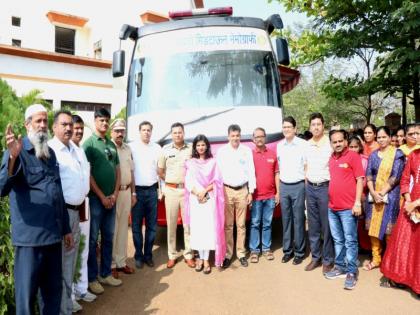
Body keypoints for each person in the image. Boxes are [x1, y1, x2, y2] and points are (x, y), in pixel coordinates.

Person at [0, 104, 73, 314]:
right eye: (37, 121)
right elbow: (2, 187)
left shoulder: (50, 154)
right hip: (30, 242)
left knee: (52, 295)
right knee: (26, 298)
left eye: (45, 121)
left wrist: (66, 228)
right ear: (27, 124)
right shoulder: (17, 151)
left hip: (52, 238)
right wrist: (13, 158)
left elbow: (58, 194)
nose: (42, 125)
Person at [49, 110, 90, 314]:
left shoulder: (74, 149)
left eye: (70, 125)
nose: (68, 128)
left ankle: (66, 307)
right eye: (63, 124)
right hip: (60, 215)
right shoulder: (50, 150)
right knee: (58, 266)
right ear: (54, 127)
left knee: (69, 264)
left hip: (75, 213)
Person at [83, 108, 122, 294]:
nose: (105, 124)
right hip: (96, 201)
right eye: (101, 120)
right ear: (95, 121)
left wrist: (114, 194)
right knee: (92, 240)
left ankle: (106, 274)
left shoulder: (111, 144)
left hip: (112, 200)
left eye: (107, 121)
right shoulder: (89, 144)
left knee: (108, 237)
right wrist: (101, 196)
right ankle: (92, 278)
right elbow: (88, 174)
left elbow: (118, 171)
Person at [380, 130, 420, 295]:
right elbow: (404, 179)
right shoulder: (414, 155)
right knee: (404, 244)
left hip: (416, 204)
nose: (416, 137)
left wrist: (417, 203)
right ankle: (404, 280)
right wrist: (409, 200)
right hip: (411, 207)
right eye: (414, 134)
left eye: (419, 134)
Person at [325, 129, 364, 290]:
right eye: (334, 142)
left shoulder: (353, 156)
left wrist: (357, 203)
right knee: (338, 240)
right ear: (331, 144)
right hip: (332, 207)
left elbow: (360, 180)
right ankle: (340, 266)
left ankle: (351, 272)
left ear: (345, 141)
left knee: (350, 240)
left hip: (348, 208)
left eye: (340, 141)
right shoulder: (332, 158)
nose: (338, 144)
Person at [363, 126, 405, 271]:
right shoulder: (373, 155)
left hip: (391, 195)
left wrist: (382, 192)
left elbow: (396, 175)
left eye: (384, 137)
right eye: (379, 137)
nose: (381, 140)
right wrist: (374, 192)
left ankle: (389, 261)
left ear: (389, 137)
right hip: (373, 196)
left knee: (388, 229)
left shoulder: (397, 154)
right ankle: (376, 259)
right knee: (373, 229)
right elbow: (368, 175)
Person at [184, 135, 226, 274]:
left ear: (207, 146)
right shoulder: (190, 163)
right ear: (195, 147)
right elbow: (188, 182)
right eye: (198, 145)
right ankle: (200, 259)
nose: (201, 148)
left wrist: (204, 192)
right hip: (195, 199)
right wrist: (197, 193)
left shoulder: (213, 162)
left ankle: (207, 259)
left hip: (209, 198)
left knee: (207, 229)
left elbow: (217, 181)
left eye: (203, 145)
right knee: (197, 229)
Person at [217, 124, 256, 268]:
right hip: (226, 191)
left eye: (237, 135)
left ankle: (240, 253)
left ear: (240, 136)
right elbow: (218, 173)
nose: (235, 138)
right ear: (228, 136)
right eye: (232, 136)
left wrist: (251, 191)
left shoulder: (246, 151)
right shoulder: (222, 152)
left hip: (242, 191)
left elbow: (251, 171)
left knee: (241, 225)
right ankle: (228, 254)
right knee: (228, 225)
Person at [158, 122, 195, 268]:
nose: (177, 135)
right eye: (175, 133)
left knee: (188, 225)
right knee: (171, 224)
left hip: (187, 191)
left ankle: (189, 254)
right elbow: (160, 171)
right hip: (171, 191)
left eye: (180, 132)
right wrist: (170, 181)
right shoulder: (165, 150)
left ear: (183, 133)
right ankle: (172, 255)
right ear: (171, 134)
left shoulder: (191, 149)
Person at [71, 115, 97, 305]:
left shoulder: (80, 151)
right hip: (70, 207)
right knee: (71, 251)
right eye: (75, 128)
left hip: (84, 204)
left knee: (85, 248)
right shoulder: (62, 151)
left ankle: (81, 289)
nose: (78, 131)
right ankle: (70, 296)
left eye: (80, 128)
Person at [304, 113, 334, 273]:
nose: (316, 127)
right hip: (310, 188)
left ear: (323, 126)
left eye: (318, 124)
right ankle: (316, 257)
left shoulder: (330, 144)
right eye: (313, 124)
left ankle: (328, 259)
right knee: (313, 225)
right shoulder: (306, 145)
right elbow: (305, 167)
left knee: (326, 226)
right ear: (310, 127)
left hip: (325, 188)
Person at [129, 121, 162, 269]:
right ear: (139, 131)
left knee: (152, 227)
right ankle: (138, 255)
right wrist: (133, 192)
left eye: (149, 130)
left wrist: (160, 190)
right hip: (138, 192)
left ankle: (148, 255)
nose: (146, 132)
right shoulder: (132, 147)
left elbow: (159, 171)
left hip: (152, 191)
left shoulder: (157, 148)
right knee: (136, 226)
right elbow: (130, 171)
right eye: (144, 130)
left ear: (152, 132)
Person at [276, 116, 308, 265]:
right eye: (284, 127)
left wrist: (306, 188)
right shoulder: (279, 145)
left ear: (295, 129)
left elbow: (307, 167)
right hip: (284, 186)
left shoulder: (303, 144)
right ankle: (287, 251)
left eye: (289, 127)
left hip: (299, 185)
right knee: (286, 220)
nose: (286, 129)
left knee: (299, 220)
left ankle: (299, 252)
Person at [110, 119, 136, 277]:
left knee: (123, 230)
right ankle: (112, 264)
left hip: (127, 192)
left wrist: (134, 193)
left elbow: (132, 172)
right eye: (117, 130)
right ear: (111, 131)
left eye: (122, 130)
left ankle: (121, 262)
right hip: (114, 193)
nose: (120, 133)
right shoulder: (108, 148)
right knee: (113, 229)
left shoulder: (128, 149)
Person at [249, 127, 279, 263]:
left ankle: (266, 248)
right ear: (253, 139)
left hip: (270, 196)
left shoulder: (272, 154)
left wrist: (278, 192)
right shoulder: (249, 155)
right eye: (257, 137)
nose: (259, 139)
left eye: (261, 136)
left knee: (267, 223)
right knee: (255, 223)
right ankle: (254, 251)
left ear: (265, 137)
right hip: (256, 196)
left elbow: (276, 174)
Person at [348, 135, 371, 252]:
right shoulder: (344, 158)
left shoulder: (365, 159)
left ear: (360, 147)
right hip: (348, 195)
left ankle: (364, 245)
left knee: (362, 221)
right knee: (350, 222)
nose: (353, 149)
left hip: (362, 194)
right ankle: (354, 246)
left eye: (355, 147)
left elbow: (366, 178)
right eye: (350, 147)